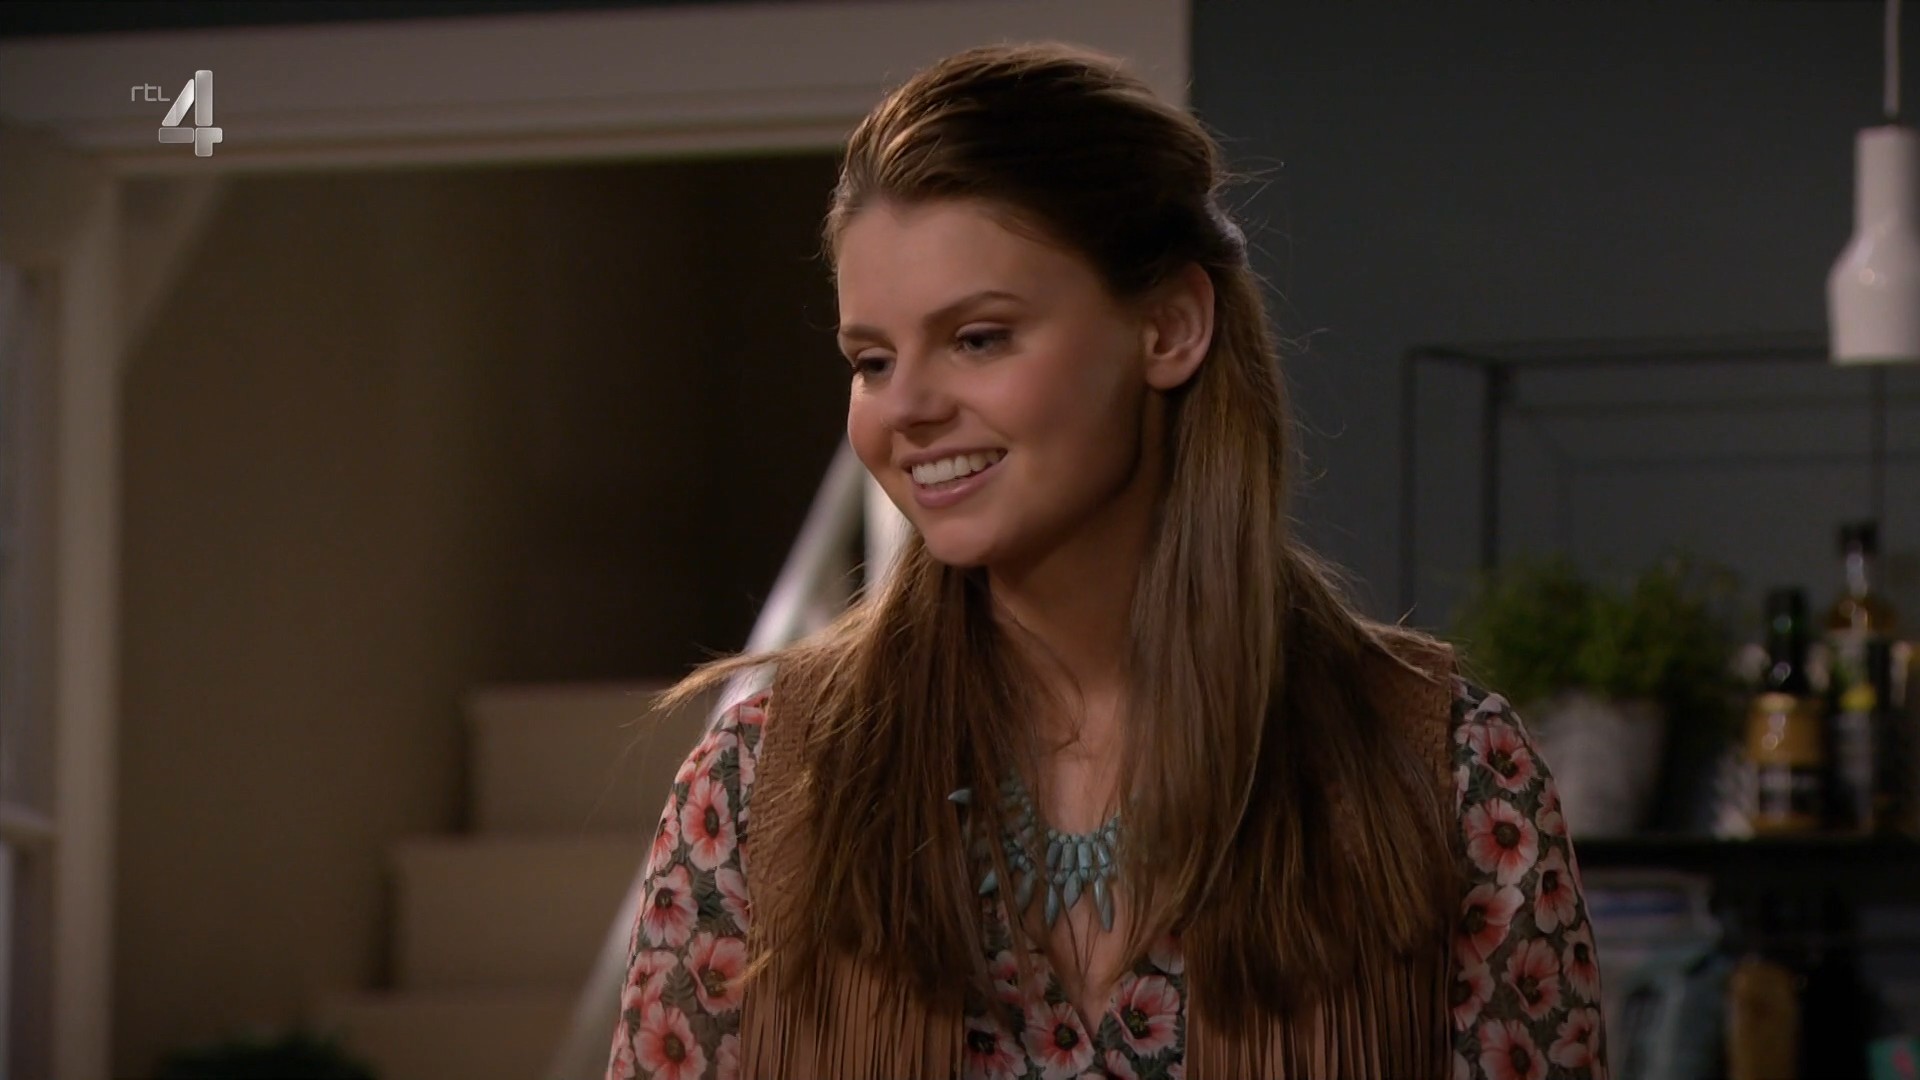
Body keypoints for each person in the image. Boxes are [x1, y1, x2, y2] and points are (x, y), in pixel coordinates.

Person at [608, 41, 1605, 1080]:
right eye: (873, 360)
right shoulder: (762, 787)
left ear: (1169, 328)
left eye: (978, 338)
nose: (906, 409)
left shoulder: (1449, 776)